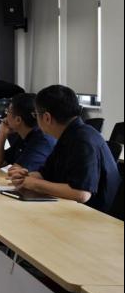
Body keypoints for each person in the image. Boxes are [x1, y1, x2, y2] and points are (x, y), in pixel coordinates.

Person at [9, 85, 120, 213]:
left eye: (36, 114)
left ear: (47, 118)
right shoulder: (66, 135)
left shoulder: (83, 140)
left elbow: (81, 194)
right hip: (70, 209)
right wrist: (25, 177)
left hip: (94, 216)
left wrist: (35, 184)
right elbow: (45, 174)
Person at [0, 93, 55, 171]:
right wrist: (2, 134)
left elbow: (16, 173)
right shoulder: (23, 136)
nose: (5, 116)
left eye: (8, 111)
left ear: (18, 120)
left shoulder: (42, 140)